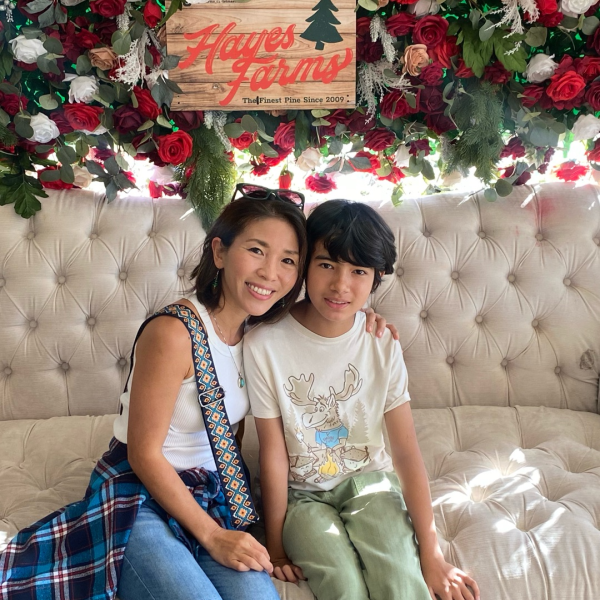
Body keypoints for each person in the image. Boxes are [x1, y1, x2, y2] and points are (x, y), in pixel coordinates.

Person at [0, 185, 393, 600]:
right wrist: (213, 536)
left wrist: (364, 317)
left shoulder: (262, 333)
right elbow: (143, 454)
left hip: (210, 493)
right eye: (256, 251)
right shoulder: (174, 333)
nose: (270, 273)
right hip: (142, 493)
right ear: (219, 252)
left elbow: (325, 318)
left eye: (288, 260)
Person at [244, 200, 481, 600]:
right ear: (304, 264)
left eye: (358, 271)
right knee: (344, 585)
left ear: (376, 277)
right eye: (326, 265)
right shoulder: (264, 344)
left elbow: (405, 450)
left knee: (400, 582)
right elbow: (273, 451)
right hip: (302, 496)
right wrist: (277, 544)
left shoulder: (381, 342)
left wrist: (431, 553)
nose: (340, 285)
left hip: (371, 484)